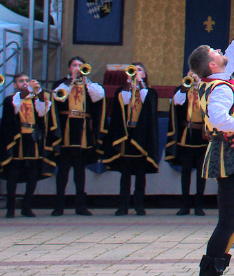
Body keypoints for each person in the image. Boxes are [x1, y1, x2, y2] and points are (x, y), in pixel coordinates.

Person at [189, 1, 234, 276]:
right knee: (229, 219)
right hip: (228, 152)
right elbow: (218, 118)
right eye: (217, 53)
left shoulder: (216, 79)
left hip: (229, 153)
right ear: (213, 65)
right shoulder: (220, 88)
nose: (222, 52)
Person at [48, 57, 105, 216]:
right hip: (66, 129)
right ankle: (59, 205)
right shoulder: (61, 84)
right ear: (69, 68)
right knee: (63, 171)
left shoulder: (90, 85)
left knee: (80, 171)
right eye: (75, 65)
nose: (78, 68)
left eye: (81, 66)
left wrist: (84, 80)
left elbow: (99, 96)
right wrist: (72, 80)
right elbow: (59, 97)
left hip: (82, 130)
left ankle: (80, 205)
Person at [108, 63, 159, 216]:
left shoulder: (149, 92)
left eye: (139, 70)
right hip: (127, 133)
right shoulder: (123, 91)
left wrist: (140, 84)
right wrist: (129, 85)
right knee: (125, 173)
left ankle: (139, 204)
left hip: (142, 135)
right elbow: (123, 101)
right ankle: (122, 205)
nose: (136, 72)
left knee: (140, 173)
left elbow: (147, 101)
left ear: (144, 74)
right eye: (133, 70)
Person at [0, 73, 51, 217]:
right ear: (15, 85)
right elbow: (15, 106)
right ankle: (10, 208)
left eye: (27, 80)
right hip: (17, 139)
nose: (25, 83)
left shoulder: (35, 99)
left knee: (33, 174)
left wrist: (39, 93)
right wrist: (29, 90)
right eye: (21, 81)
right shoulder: (12, 99)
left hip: (32, 138)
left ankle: (27, 207)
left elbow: (42, 112)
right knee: (13, 174)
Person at [168, 61, 212, 216]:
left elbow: (210, 103)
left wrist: (200, 84)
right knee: (186, 171)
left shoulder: (207, 89)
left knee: (201, 172)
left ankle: (199, 205)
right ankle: (184, 204)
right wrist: (186, 85)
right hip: (187, 134)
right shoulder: (183, 90)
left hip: (202, 135)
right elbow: (176, 101)